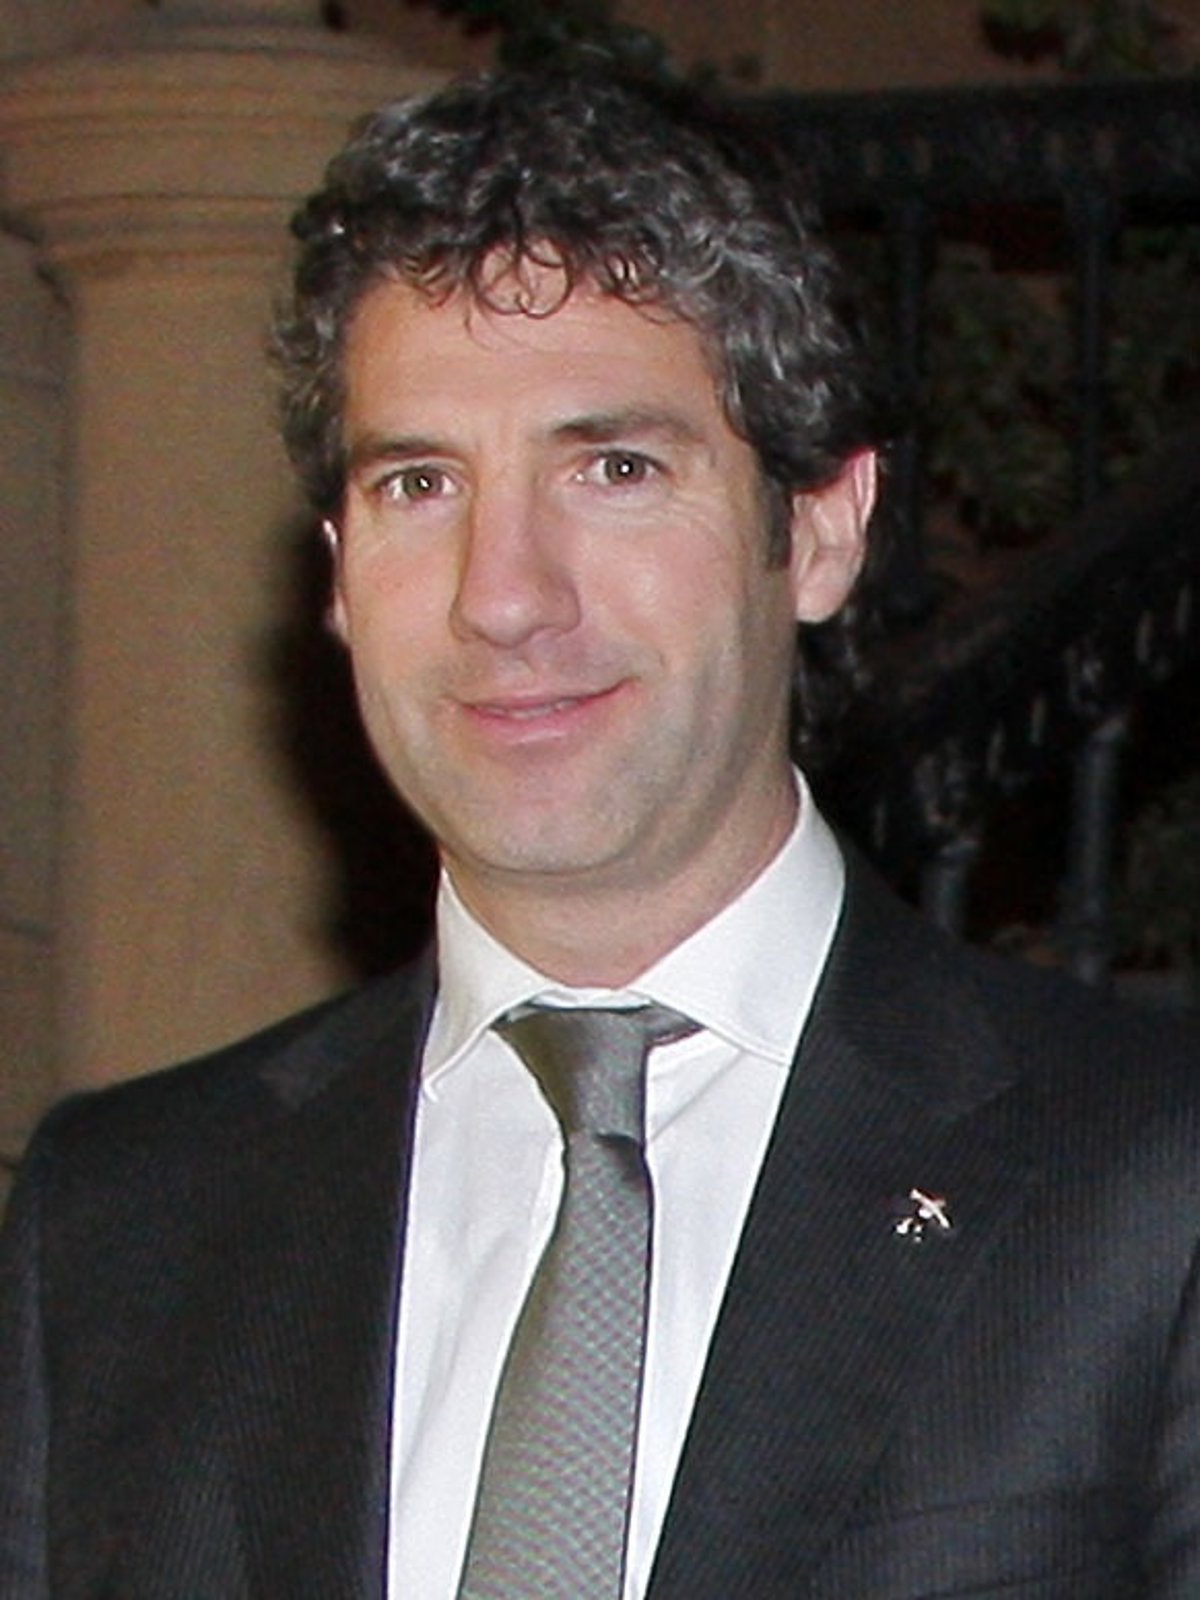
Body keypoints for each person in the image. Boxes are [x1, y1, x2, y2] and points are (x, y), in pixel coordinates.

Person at [2, 66, 1200, 1600]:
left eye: (614, 469)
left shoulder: (1145, 1179)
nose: (504, 594)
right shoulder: (123, 1223)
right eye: (420, 482)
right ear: (339, 572)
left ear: (820, 526)